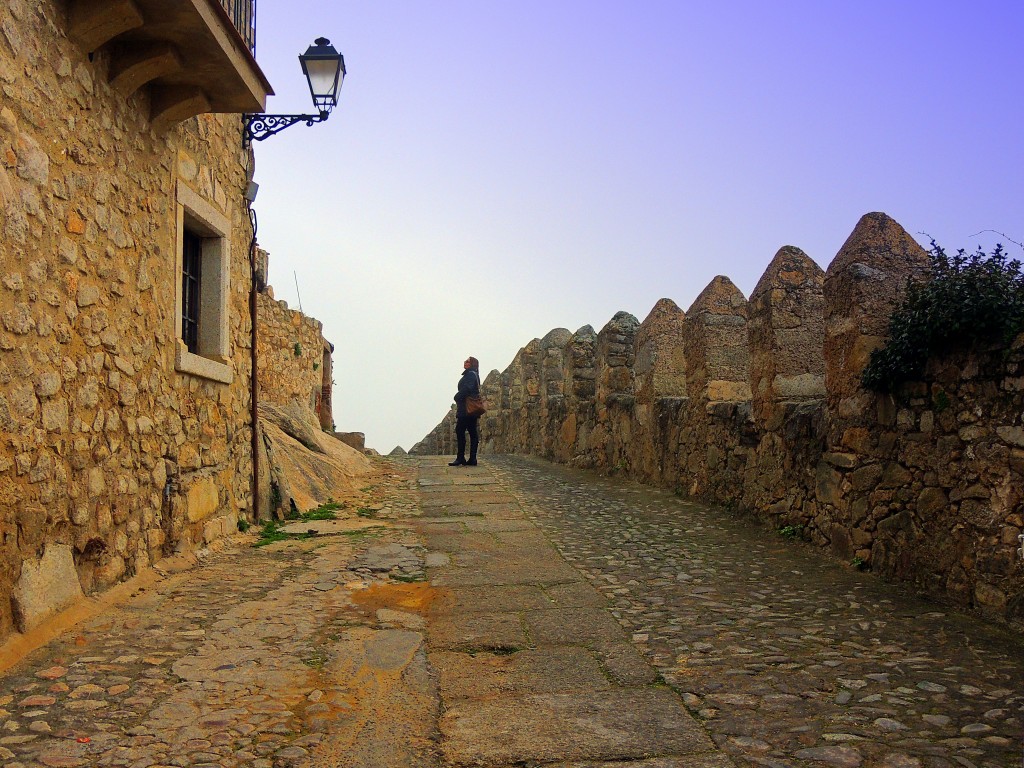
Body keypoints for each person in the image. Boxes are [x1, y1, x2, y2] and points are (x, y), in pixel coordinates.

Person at [450, 356, 482, 466]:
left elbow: (467, 388)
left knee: (460, 430)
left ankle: (461, 458)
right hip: (470, 408)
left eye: (468, 361)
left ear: (472, 364)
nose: (465, 362)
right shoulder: (473, 374)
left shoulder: (470, 374)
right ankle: (472, 458)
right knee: (472, 432)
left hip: (466, 408)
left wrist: (456, 397)